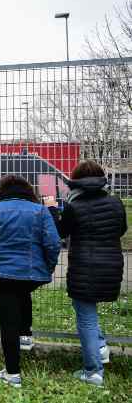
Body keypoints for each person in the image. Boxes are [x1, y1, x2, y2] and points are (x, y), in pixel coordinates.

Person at [0, 175, 61, 388]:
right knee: (22, 294)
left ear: (1, 192)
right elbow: (53, 244)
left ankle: (12, 373)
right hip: (31, 275)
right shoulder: (40, 211)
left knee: (7, 321)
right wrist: (47, 268)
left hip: (0, 274)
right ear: (28, 191)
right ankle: (25, 335)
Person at [45, 161, 126, 387]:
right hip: (111, 266)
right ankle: (100, 350)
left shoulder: (73, 206)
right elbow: (121, 230)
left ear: (75, 181)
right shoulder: (115, 203)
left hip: (83, 266)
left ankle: (93, 372)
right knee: (89, 315)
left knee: (86, 318)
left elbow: (59, 232)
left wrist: (52, 209)